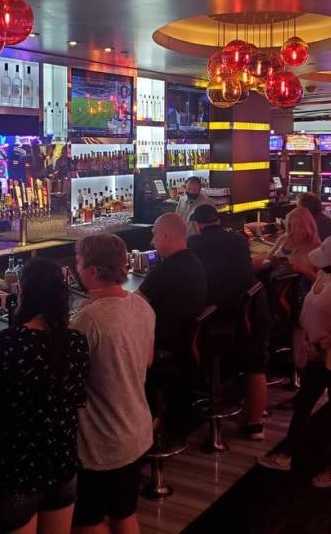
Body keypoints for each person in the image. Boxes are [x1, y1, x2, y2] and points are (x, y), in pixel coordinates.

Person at [0, 258, 90, 534]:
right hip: (62, 465)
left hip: (17, 473)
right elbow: (76, 401)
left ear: (24, 293)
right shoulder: (76, 342)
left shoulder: (7, 343)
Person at [258, 236, 331, 489]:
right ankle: (287, 455)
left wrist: (319, 345)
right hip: (315, 352)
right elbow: (311, 308)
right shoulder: (325, 277)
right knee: (303, 403)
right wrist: (306, 338)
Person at [71, 234, 154, 534]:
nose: (77, 271)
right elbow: (147, 361)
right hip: (137, 431)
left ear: (92, 272)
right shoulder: (142, 306)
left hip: (102, 444)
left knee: (86, 521)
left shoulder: (87, 321)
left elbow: (68, 381)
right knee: (123, 512)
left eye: (78, 264)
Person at [189, 204, 266, 440]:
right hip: (251, 315)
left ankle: (190, 406)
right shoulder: (238, 240)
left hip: (216, 320)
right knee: (256, 363)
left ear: (197, 224)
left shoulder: (193, 244)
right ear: (218, 221)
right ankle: (256, 423)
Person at [138, 213, 208, 437]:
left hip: (166, 350)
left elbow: (133, 303)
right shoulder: (194, 261)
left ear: (166, 236)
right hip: (186, 349)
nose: (152, 242)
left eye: (154, 236)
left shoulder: (167, 270)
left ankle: (139, 429)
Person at [265, 207, 321, 281]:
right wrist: (271, 262)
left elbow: (321, 281)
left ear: (309, 226)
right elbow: (268, 258)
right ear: (289, 226)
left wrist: (302, 269)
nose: (297, 230)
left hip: (301, 290)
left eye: (301, 226)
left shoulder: (316, 247)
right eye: (294, 226)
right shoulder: (283, 239)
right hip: (277, 285)